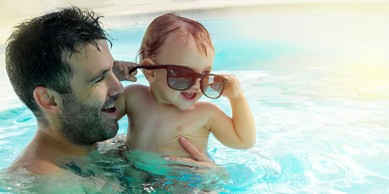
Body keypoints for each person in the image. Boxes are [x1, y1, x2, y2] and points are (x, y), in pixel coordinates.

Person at [5, 7, 212, 176]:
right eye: (97, 79)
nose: (119, 88)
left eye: (111, 70)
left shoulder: (94, 143)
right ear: (49, 99)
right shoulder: (46, 183)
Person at [115, 13, 256, 159]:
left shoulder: (206, 114)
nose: (196, 85)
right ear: (151, 72)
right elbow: (96, 122)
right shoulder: (133, 97)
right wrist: (109, 75)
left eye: (205, 73)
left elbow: (244, 141)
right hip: (131, 176)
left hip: (182, 180)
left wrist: (237, 97)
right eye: (184, 74)